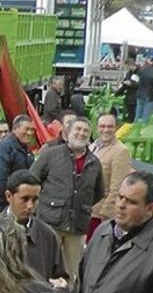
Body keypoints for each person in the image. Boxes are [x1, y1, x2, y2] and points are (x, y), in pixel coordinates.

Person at [30, 117, 103, 280]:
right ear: (68, 132)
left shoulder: (95, 163)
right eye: (78, 129)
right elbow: (32, 179)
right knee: (43, 267)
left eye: (85, 131)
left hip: (77, 226)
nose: (81, 133)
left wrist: (81, 206)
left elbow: (99, 192)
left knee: (71, 272)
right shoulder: (51, 155)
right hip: (49, 223)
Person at [1, 170, 67, 285]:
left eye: (35, 199)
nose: (30, 206)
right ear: (8, 196)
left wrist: (60, 285)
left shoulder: (48, 236)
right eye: (24, 199)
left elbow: (60, 276)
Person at [0, 114, 36, 222]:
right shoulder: (3, 147)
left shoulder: (25, 149)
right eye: (26, 129)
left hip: (12, 204)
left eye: (32, 130)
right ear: (15, 129)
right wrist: (12, 201)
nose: (29, 133)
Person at [87, 113, 132, 241]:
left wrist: (105, 214)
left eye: (110, 126)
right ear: (96, 128)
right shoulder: (93, 146)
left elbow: (118, 186)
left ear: (116, 128)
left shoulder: (120, 151)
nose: (106, 130)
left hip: (99, 214)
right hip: (87, 210)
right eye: (102, 126)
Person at [134, 57, 153, 124]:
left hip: (140, 94)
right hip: (150, 97)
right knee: (146, 118)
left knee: (137, 116)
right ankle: (142, 132)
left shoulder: (144, 69)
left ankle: (134, 130)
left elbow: (136, 79)